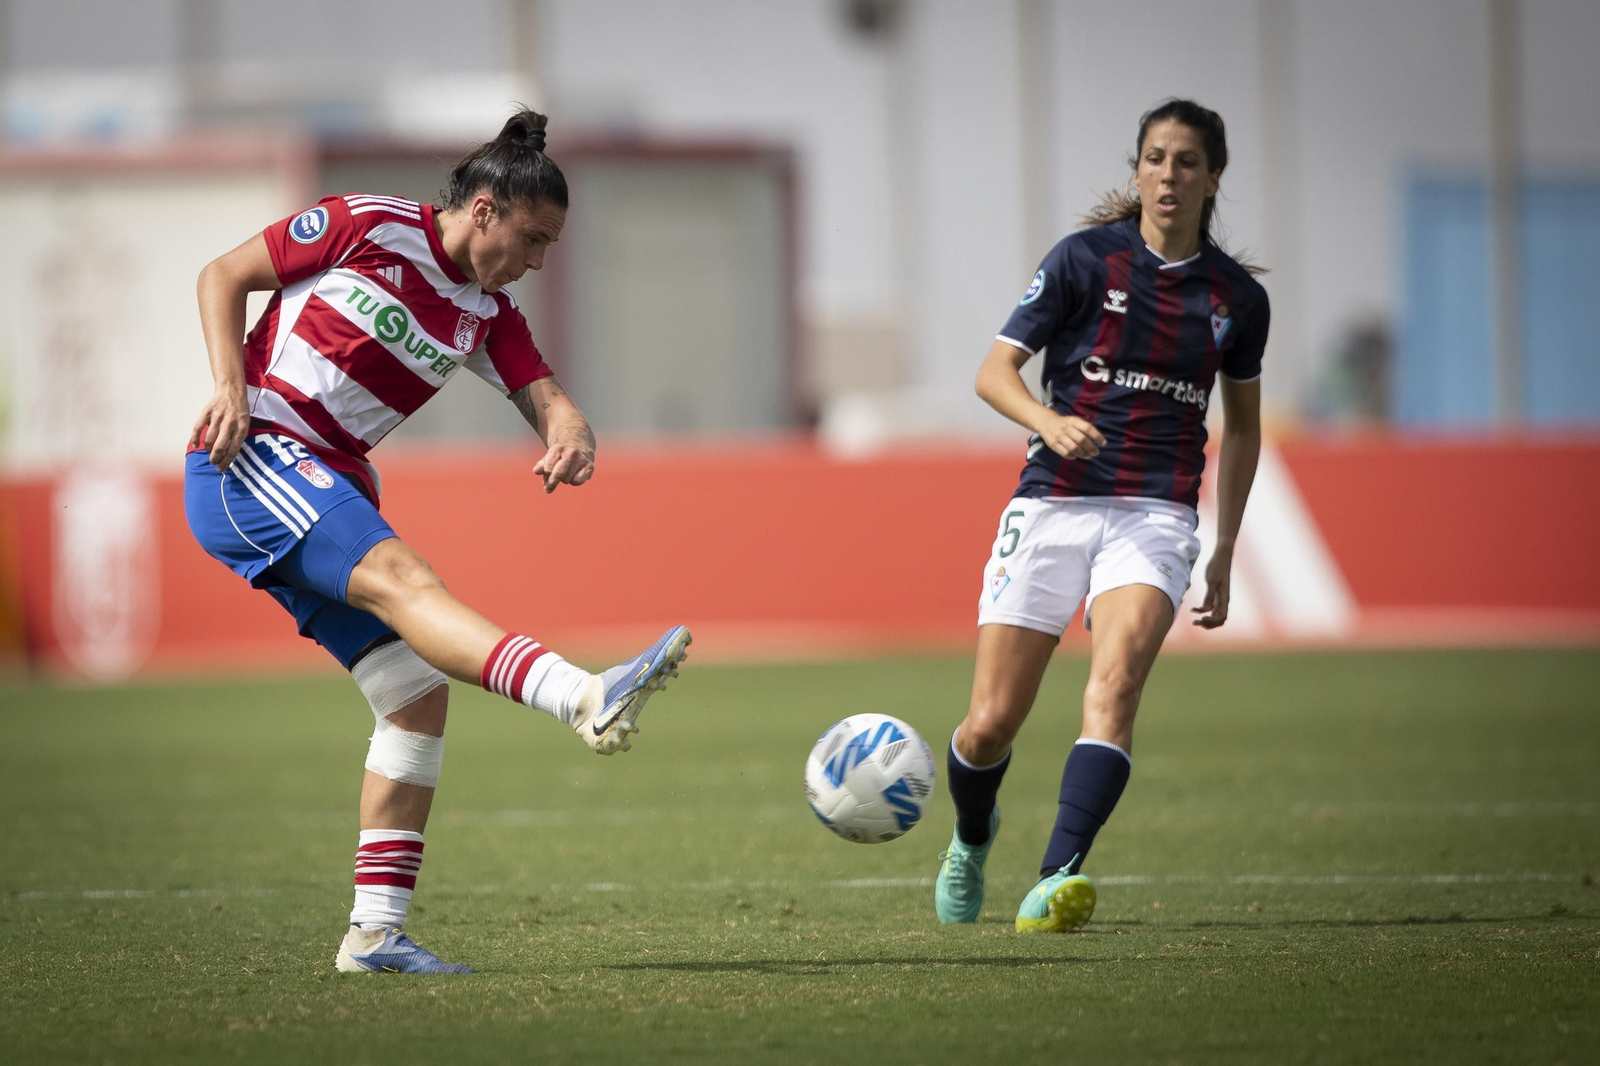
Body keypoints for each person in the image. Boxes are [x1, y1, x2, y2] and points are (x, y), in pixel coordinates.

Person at [183, 109, 692, 974]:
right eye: (532, 239)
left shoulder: (489, 314)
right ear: (484, 210)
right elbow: (222, 273)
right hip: (252, 456)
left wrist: (570, 429)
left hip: (327, 481)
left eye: (549, 250)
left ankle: (374, 936)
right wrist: (229, 386)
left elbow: (546, 396)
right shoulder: (366, 225)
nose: (535, 262)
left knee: (415, 696)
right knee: (403, 574)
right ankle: (583, 696)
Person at [933, 99, 1267, 932]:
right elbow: (993, 372)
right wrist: (1046, 422)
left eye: (1186, 161)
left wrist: (1222, 549)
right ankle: (973, 835)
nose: (1167, 174)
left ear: (1212, 178)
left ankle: (1055, 880)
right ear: (1137, 170)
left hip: (1155, 513)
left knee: (1113, 690)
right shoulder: (1085, 261)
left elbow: (1247, 427)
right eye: (1154, 158)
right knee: (988, 725)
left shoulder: (1236, 299)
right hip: (1052, 504)